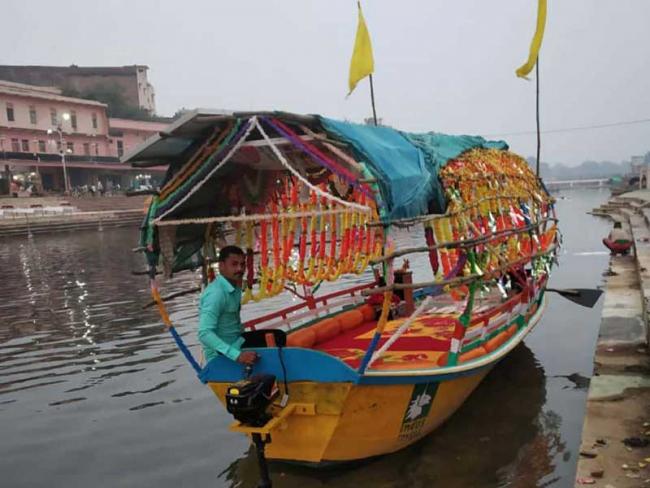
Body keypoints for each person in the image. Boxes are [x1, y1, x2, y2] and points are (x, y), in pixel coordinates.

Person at [198, 245, 258, 366]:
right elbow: (204, 333)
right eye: (234, 264)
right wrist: (237, 356)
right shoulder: (216, 294)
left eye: (242, 264)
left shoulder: (235, 286)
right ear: (221, 266)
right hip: (221, 355)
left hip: (237, 342)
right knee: (277, 340)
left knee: (278, 336)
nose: (239, 269)